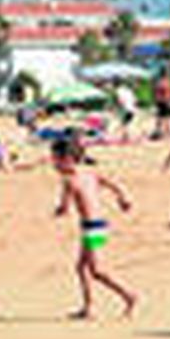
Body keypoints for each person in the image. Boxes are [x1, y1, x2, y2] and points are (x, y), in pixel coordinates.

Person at [51, 137, 138, 320]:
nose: (54, 164)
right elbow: (112, 184)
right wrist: (122, 198)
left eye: (55, 159)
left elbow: (64, 208)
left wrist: (58, 211)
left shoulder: (69, 180)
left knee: (97, 270)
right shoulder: (89, 172)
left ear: (66, 159)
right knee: (81, 268)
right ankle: (88, 307)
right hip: (97, 225)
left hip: (92, 228)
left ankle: (129, 296)